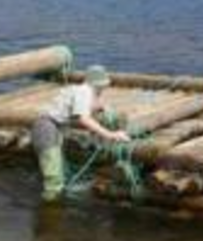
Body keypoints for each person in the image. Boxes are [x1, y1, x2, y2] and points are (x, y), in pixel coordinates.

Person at [30, 64, 130, 201]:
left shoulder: (79, 90)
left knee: (54, 173)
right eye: (103, 87)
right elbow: (83, 119)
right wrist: (111, 135)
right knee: (54, 182)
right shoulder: (85, 92)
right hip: (47, 129)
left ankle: (52, 204)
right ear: (98, 85)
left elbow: (81, 108)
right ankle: (49, 208)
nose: (103, 90)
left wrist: (101, 108)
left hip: (49, 127)